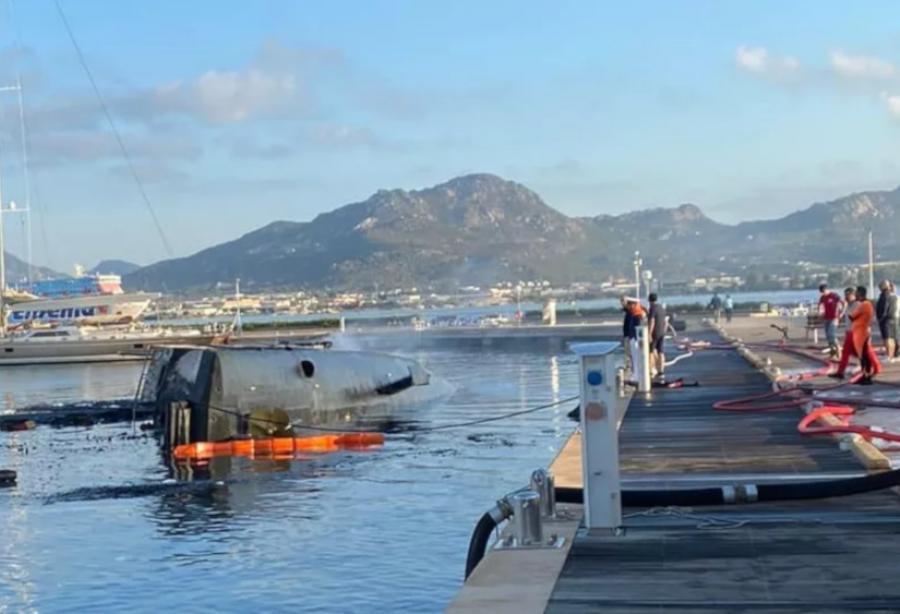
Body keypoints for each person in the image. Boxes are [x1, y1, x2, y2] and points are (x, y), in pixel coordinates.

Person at [831, 286, 881, 383]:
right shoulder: (848, 305)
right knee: (846, 353)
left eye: (848, 295)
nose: (846, 297)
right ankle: (840, 372)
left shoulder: (858, 305)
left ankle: (876, 368)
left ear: (854, 295)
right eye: (845, 295)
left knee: (867, 352)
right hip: (849, 332)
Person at [620, 295, 645, 381]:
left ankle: (637, 375)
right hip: (632, 338)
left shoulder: (637, 315)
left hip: (635, 339)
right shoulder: (633, 313)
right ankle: (636, 374)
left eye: (630, 304)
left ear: (634, 305)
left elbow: (639, 328)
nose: (629, 306)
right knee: (634, 358)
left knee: (636, 358)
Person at [818, 283, 844, 358]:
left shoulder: (834, 295)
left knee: (831, 334)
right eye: (822, 292)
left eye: (824, 291)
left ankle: (838, 350)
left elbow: (843, 303)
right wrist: (820, 314)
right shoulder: (822, 297)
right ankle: (832, 352)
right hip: (826, 318)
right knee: (828, 336)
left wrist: (841, 313)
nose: (823, 293)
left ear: (826, 289)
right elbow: (820, 306)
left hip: (834, 318)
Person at [876, 280, 898, 363]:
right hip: (894, 318)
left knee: (887, 338)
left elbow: (884, 308)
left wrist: (880, 318)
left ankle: (889, 355)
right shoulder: (894, 296)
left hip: (886, 320)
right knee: (892, 338)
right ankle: (891, 356)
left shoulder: (884, 296)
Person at [647, 293, 667, 381]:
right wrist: (664, 331)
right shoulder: (661, 308)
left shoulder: (652, 308)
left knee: (650, 351)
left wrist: (649, 333)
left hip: (655, 333)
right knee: (660, 352)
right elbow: (665, 321)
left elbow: (652, 321)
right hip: (661, 333)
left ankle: (652, 370)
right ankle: (661, 371)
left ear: (649, 300)